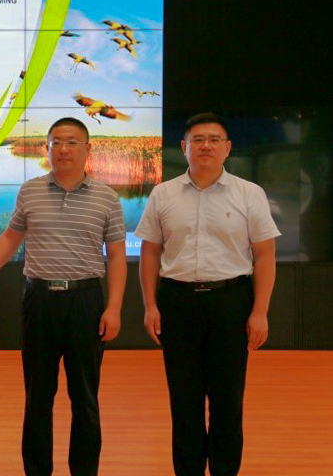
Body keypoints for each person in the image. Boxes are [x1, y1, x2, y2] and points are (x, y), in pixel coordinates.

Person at [135, 112, 280, 476]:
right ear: (183, 147)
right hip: (177, 302)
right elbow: (150, 252)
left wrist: (259, 312)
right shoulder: (163, 194)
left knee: (227, 400)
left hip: (231, 301)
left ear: (227, 148)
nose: (205, 146)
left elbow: (264, 255)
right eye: (197, 139)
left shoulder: (250, 194)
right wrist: (150, 305)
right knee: (184, 401)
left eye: (214, 140)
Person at [0, 117, 127, 476]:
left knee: (85, 398)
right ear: (47, 148)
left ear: (87, 148)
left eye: (72, 142)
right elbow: (10, 239)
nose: (64, 149)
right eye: (57, 142)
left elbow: (116, 257)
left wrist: (113, 307)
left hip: (85, 302)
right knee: (37, 398)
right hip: (39, 301)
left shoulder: (107, 197)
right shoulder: (30, 191)